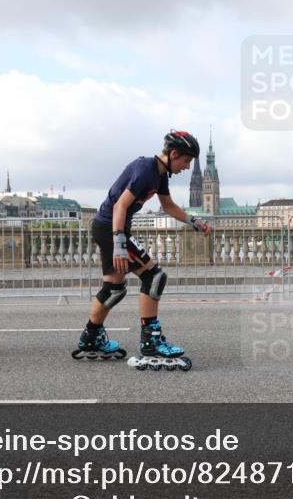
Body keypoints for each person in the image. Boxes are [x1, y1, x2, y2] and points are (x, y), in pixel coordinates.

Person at [74, 130, 212, 371]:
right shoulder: (145, 170)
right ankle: (151, 341)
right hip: (111, 228)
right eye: (186, 161)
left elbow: (167, 206)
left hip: (107, 227)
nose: (187, 167)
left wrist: (193, 221)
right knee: (155, 276)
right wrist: (119, 244)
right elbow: (120, 205)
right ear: (173, 153)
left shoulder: (159, 174)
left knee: (114, 289)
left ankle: (90, 337)